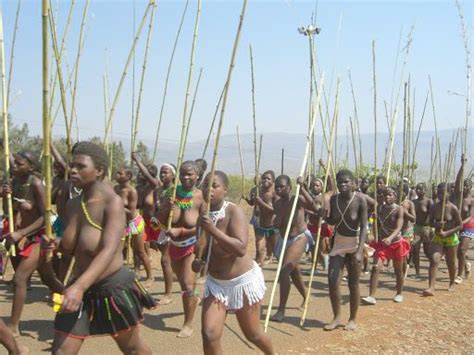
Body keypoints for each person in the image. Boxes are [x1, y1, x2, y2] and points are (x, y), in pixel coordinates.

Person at [51, 141, 155, 354]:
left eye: (81, 166)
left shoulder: (112, 203)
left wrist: (79, 287)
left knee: (133, 349)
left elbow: (108, 250)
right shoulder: (73, 204)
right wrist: (54, 244)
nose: (73, 170)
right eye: (72, 165)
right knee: (61, 352)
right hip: (78, 286)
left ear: (98, 170)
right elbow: (70, 249)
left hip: (111, 288)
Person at [193, 171, 275, 355]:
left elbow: (240, 248)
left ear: (225, 190)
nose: (209, 189)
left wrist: (212, 230)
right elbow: (204, 249)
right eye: (205, 185)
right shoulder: (203, 214)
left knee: (253, 334)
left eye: (214, 185)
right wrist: (199, 262)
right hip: (216, 284)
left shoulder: (233, 211)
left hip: (242, 282)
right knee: (209, 334)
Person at [2, 151, 45, 337]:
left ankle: (13, 325)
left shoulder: (36, 184)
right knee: (49, 278)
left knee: (19, 278)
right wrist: (5, 196)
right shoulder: (15, 183)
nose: (14, 166)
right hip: (19, 238)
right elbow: (7, 210)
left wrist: (22, 233)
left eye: (19, 164)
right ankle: (77, 300)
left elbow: (46, 217)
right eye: (15, 163)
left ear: (31, 167)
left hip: (38, 238)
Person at [163, 160, 205, 338]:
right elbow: (161, 219)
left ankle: (188, 323)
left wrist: (182, 231)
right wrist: (168, 208)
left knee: (188, 284)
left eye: (190, 174)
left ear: (197, 176)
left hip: (190, 246)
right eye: (183, 174)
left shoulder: (201, 197)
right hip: (174, 246)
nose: (186, 177)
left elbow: (204, 226)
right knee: (184, 286)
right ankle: (194, 297)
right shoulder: (172, 193)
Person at [322, 169, 367, 331]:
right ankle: (336, 318)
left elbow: (364, 227)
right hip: (339, 243)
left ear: (354, 183)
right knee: (333, 281)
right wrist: (324, 216)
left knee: (353, 283)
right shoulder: (334, 200)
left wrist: (360, 250)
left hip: (355, 243)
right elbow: (333, 220)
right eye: (340, 182)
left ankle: (353, 318)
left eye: (346, 181)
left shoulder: (360, 200)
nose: (343, 184)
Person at [270, 175, 315, 323]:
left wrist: (302, 188)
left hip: (299, 238)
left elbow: (313, 205)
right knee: (294, 272)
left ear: (289, 187)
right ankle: (306, 296)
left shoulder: (297, 199)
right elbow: (278, 221)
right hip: (284, 239)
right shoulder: (276, 203)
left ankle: (281, 310)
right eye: (277, 187)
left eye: (282, 186)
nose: (279, 189)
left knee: (284, 272)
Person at [114, 166, 153, 287]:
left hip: (134, 222)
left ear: (128, 177)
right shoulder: (115, 188)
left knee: (140, 251)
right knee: (118, 250)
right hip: (121, 223)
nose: (117, 175)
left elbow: (131, 211)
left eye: (120, 173)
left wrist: (116, 205)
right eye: (117, 173)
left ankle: (150, 276)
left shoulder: (132, 191)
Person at [423, 182, 463, 295]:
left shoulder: (453, 208)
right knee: (434, 259)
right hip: (438, 237)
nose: (440, 195)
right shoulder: (434, 207)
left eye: (443, 193)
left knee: (451, 262)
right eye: (438, 192)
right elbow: (429, 222)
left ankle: (451, 282)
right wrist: (436, 225)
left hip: (451, 238)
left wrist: (447, 232)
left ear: (449, 193)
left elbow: (460, 225)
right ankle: (431, 287)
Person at [453, 155, 473, 283]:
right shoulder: (457, 195)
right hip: (456, 225)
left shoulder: (471, 200)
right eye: (463, 185)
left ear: (470, 187)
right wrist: (462, 165)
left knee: (462, 250)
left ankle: (459, 275)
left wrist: (460, 224)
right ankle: (466, 265)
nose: (464, 187)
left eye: (467, 186)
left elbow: (471, 216)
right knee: (456, 251)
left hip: (468, 226)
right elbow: (457, 182)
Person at [252, 170, 278, 265]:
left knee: (272, 245)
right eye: (264, 178)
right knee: (260, 247)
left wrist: (261, 203)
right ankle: (259, 265)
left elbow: (275, 210)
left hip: (273, 225)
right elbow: (254, 204)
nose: (265, 180)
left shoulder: (275, 193)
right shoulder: (259, 191)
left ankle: (270, 257)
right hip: (261, 224)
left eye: (268, 178)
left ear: (273, 181)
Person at [413, 182, 434, 277]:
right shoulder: (414, 202)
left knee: (427, 250)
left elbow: (432, 215)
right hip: (416, 227)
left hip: (427, 228)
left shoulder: (429, 201)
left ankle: (433, 266)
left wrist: (430, 229)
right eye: (417, 189)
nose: (418, 191)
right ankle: (417, 271)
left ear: (425, 190)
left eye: (420, 189)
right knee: (415, 249)